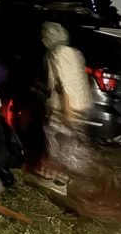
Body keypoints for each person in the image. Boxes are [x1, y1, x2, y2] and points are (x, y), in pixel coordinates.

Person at [36, 21, 97, 178]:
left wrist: (68, 111)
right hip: (81, 105)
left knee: (58, 141)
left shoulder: (56, 54)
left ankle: (57, 177)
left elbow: (65, 85)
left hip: (64, 107)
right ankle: (68, 175)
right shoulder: (75, 53)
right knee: (71, 142)